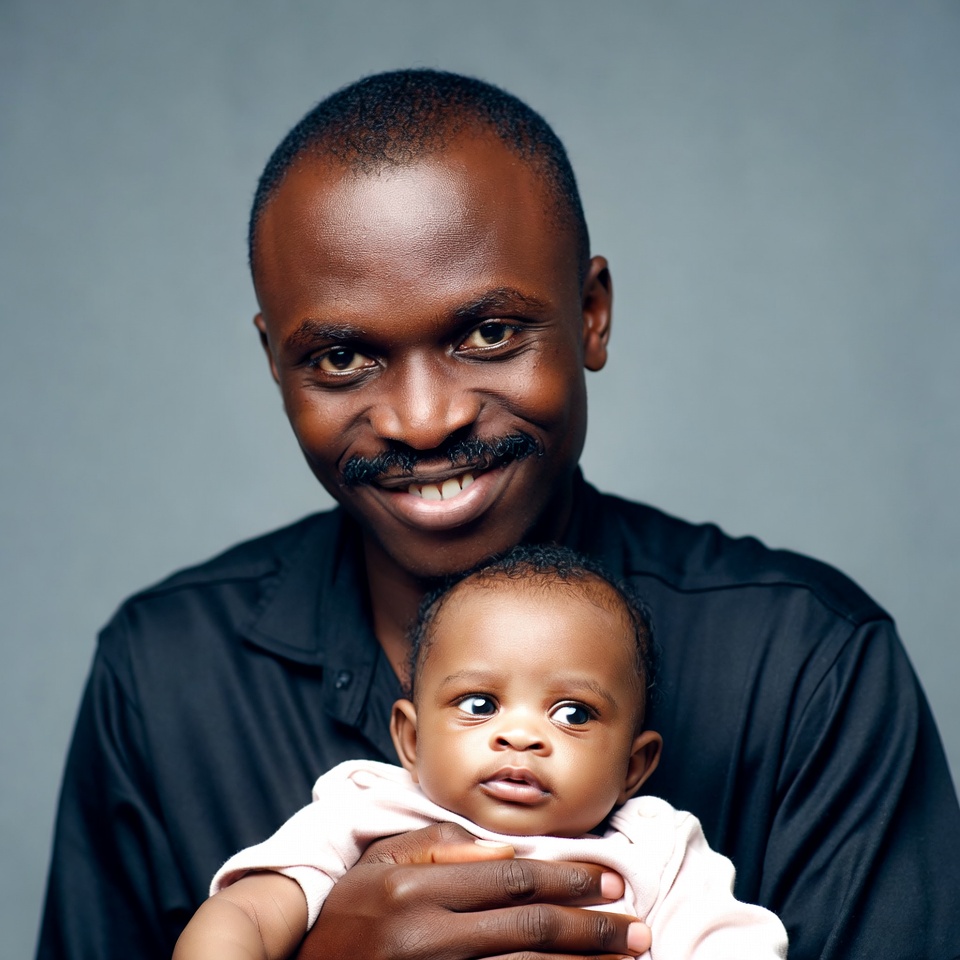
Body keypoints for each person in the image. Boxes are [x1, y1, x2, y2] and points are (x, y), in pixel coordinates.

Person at [36, 70, 960, 960]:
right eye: (343, 358)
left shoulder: (809, 665)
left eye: (488, 335)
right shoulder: (163, 677)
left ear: (592, 315)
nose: (423, 419)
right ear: (275, 362)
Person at [174, 546, 788, 960]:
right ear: (411, 740)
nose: (520, 736)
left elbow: (735, 946)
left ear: (633, 767)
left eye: (572, 714)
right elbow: (246, 917)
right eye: (478, 705)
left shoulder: (658, 848)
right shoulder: (363, 809)